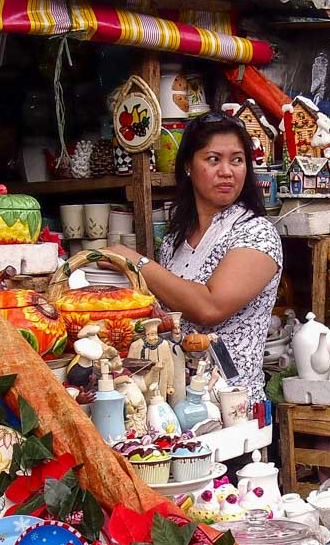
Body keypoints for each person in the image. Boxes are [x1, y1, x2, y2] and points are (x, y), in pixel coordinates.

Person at [107, 112, 282, 405]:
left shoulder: (256, 233)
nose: (227, 171)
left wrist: (135, 262)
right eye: (213, 159)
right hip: (177, 399)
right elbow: (176, 313)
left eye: (237, 160)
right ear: (188, 166)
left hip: (231, 407)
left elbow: (209, 307)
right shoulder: (177, 239)